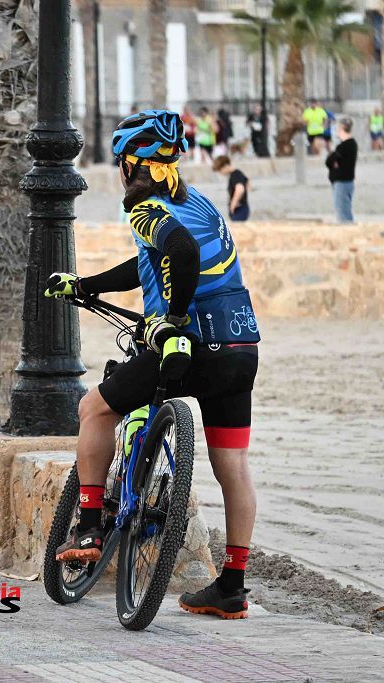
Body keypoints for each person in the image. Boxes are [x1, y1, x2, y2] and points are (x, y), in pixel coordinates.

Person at [45, 109, 261, 620]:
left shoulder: (147, 207)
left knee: (95, 409)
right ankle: (231, 586)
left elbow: (178, 252)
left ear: (128, 164)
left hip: (188, 345)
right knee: (232, 465)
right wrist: (88, 284)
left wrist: (174, 321)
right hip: (240, 346)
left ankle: (92, 524)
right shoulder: (200, 203)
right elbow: (153, 263)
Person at [325, 117, 357, 223]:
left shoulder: (344, 146)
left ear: (342, 128)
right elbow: (331, 162)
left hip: (342, 182)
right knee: (344, 211)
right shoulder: (350, 145)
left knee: (343, 215)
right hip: (345, 182)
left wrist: (334, 162)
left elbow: (331, 160)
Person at [212, 155, 250, 222]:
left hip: (239, 209)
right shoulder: (237, 174)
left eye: (220, 170)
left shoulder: (235, 174)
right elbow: (247, 182)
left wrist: (233, 203)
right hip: (241, 208)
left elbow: (240, 189)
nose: (220, 173)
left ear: (225, 165)